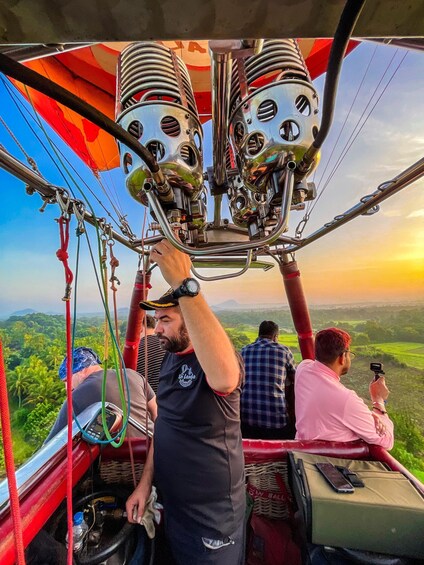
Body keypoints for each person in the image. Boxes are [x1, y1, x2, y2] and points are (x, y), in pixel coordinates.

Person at [126, 238, 245, 565]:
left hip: (213, 516)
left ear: (189, 320)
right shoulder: (170, 359)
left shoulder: (216, 362)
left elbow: (225, 378)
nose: (157, 329)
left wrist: (183, 283)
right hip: (173, 506)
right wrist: (145, 484)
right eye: (157, 321)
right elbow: (165, 426)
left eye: (166, 320)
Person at [295, 327, 394, 449]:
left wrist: (366, 415)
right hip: (329, 462)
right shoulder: (346, 399)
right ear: (342, 357)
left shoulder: (303, 369)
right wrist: (378, 401)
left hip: (300, 455)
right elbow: (387, 441)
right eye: (349, 354)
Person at [45, 346, 157, 442]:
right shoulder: (133, 374)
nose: (66, 388)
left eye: (66, 380)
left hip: (121, 459)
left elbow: (51, 443)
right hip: (154, 448)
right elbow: (157, 413)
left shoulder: (78, 394)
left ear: (81, 370)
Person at [241, 320, 296, 439]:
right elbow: (295, 378)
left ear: (259, 334)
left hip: (246, 419)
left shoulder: (244, 350)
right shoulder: (284, 351)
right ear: (275, 336)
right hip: (276, 422)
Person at [137, 314, 166, 393]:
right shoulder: (167, 345)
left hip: (147, 400)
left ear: (139, 328)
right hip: (168, 397)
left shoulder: (136, 350)